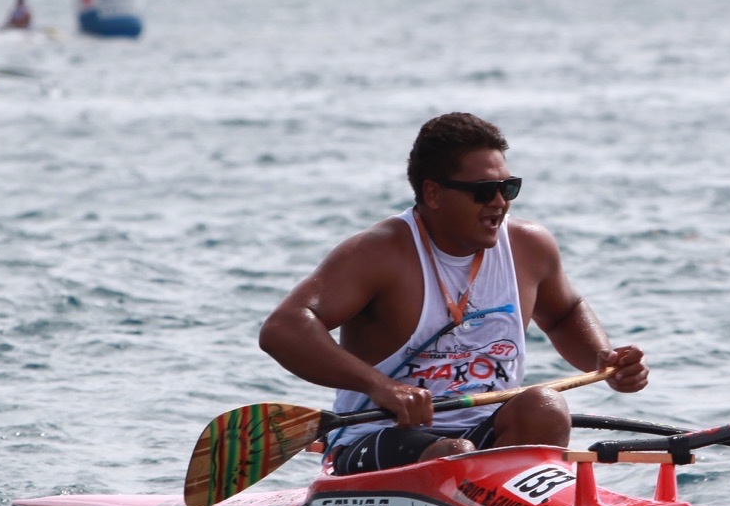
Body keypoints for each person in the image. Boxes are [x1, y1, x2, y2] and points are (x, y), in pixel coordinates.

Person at [259, 112, 649, 475]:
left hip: (479, 431)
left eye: (508, 187)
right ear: (433, 194)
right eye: (483, 192)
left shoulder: (530, 246)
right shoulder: (378, 253)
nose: (499, 202)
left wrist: (603, 358)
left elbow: (565, 313)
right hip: (376, 437)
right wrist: (381, 387)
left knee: (545, 406)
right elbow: (284, 328)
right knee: (454, 455)